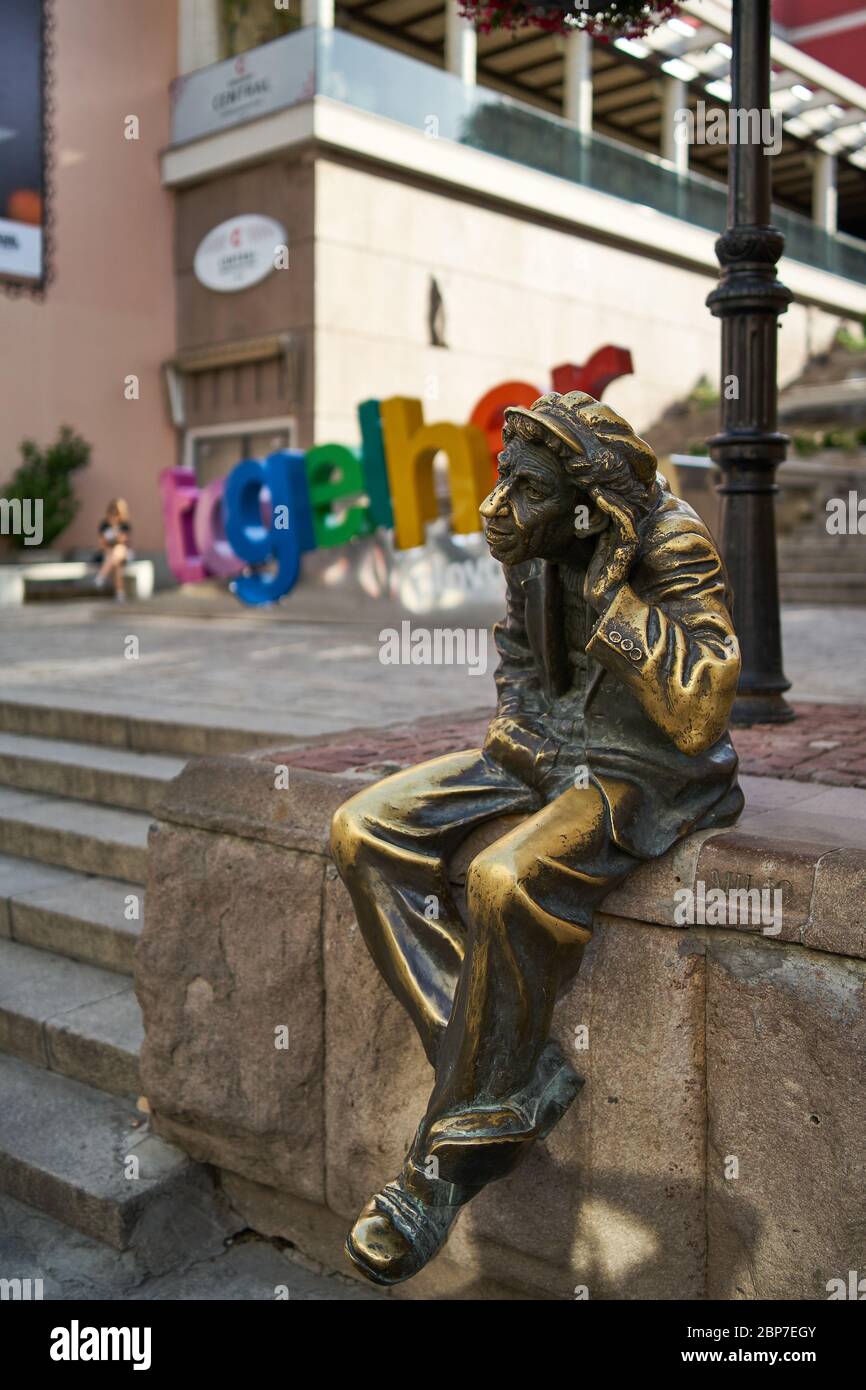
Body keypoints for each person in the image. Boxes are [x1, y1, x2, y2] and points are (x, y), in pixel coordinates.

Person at [331, 390, 744, 1286]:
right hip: (543, 751)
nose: (495, 509)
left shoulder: (670, 544)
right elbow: (519, 657)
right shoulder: (534, 543)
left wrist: (613, 603)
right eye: (501, 483)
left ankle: (436, 1170)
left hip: (636, 770)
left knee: (502, 879)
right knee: (360, 829)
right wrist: (521, 722)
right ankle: (500, 1074)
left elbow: (705, 703)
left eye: (523, 491)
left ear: (588, 507)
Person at [94, 499, 133, 601]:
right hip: (108, 555)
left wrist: (114, 529)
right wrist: (109, 547)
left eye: (117, 513)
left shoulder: (124, 525)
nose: (114, 515)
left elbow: (123, 541)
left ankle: (101, 576)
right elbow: (102, 544)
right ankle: (120, 594)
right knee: (117, 565)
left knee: (117, 550)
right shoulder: (104, 525)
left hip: (123, 553)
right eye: (112, 512)